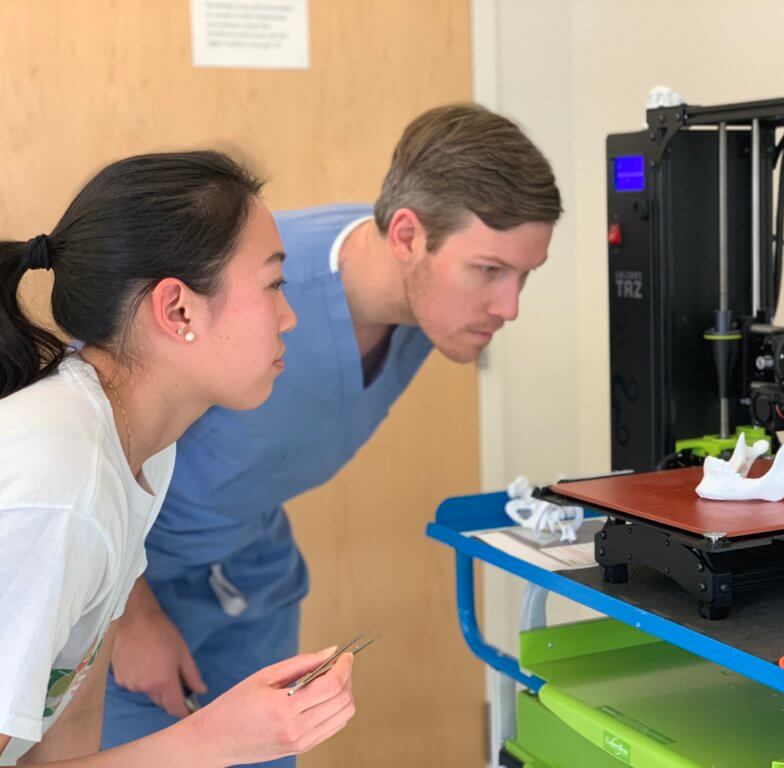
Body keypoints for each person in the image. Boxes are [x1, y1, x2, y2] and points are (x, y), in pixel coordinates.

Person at [103, 104, 562, 766]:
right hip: (128, 590)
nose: (509, 307)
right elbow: (94, 432)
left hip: (250, 582)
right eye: (489, 270)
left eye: (525, 276)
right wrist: (131, 618)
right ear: (406, 235)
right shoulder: (243, 280)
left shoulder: (433, 309)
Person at [0, 152, 356, 766]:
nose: (291, 315)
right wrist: (217, 739)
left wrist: (222, 742)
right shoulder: (63, 489)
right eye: (273, 285)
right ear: (178, 310)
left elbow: (64, 736)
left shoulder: (140, 449)